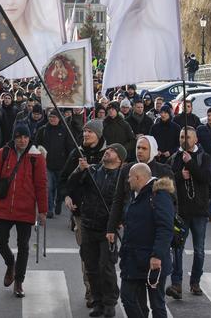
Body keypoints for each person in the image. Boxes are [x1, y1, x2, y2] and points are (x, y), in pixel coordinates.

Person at [0, 125, 47, 298]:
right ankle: (10, 263)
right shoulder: (2, 154)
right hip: (3, 207)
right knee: (0, 241)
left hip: (25, 209)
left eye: (26, 137)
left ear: (30, 138)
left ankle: (19, 281)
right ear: (14, 137)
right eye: (19, 137)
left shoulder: (37, 157)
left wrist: (42, 210)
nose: (22, 140)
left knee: (24, 246)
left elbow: (41, 185)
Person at [65, 143, 124, 317]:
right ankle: (97, 302)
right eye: (108, 149)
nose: (107, 151)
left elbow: (125, 201)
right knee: (91, 266)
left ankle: (109, 302)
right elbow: (71, 185)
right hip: (88, 225)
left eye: (112, 151)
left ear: (119, 158)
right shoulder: (93, 170)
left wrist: (120, 220)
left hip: (108, 229)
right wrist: (79, 170)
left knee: (106, 266)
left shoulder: (122, 176)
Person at [118, 164, 174, 318]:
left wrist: (157, 255)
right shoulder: (136, 195)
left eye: (129, 177)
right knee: (128, 298)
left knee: (157, 305)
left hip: (152, 261)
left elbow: (165, 228)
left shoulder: (159, 195)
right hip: (134, 259)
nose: (127, 180)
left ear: (138, 177)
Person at [58, 120, 105, 308]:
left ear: (98, 135)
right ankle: (91, 291)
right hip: (82, 212)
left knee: (103, 257)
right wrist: (67, 196)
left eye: (90, 132)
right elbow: (64, 179)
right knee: (87, 253)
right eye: (84, 131)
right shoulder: (76, 153)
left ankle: (103, 291)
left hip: (102, 213)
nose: (86, 135)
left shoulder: (108, 154)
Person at [166, 128, 211, 300]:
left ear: (196, 139)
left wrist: (191, 163)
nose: (184, 140)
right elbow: (168, 179)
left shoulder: (204, 157)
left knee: (199, 250)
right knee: (177, 247)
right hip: (181, 212)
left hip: (199, 211)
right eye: (181, 137)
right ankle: (176, 283)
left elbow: (205, 178)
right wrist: (180, 175)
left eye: (188, 137)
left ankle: (195, 281)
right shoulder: (174, 158)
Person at [107, 136, 175, 246]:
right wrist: (111, 227)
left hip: (154, 228)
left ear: (152, 150)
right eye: (138, 147)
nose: (140, 151)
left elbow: (172, 202)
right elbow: (118, 199)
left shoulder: (163, 171)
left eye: (144, 148)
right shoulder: (127, 169)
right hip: (130, 226)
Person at [34, 109, 76, 218]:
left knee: (59, 186)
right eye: (50, 117)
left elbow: (70, 147)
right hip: (46, 164)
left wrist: (70, 161)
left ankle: (58, 202)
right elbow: (36, 145)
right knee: (48, 187)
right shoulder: (42, 130)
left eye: (54, 117)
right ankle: (49, 209)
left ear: (59, 118)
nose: (52, 119)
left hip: (62, 164)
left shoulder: (65, 130)